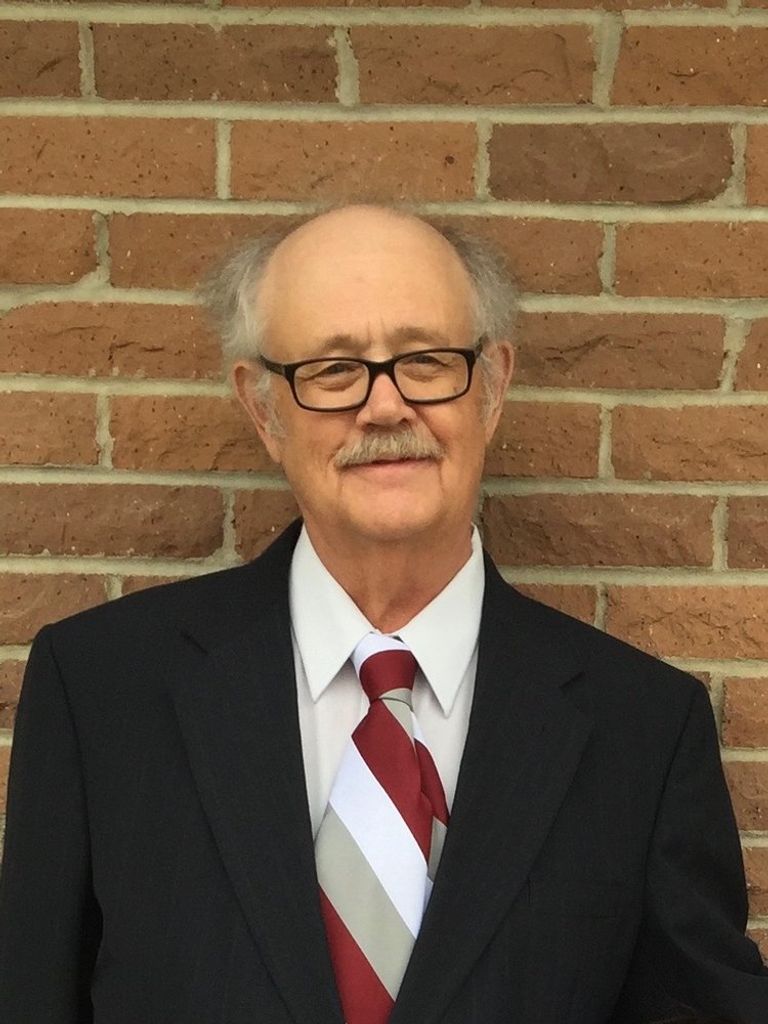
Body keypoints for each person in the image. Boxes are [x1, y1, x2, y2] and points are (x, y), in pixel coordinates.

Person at [0, 204, 766, 1024]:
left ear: (492, 387)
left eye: (427, 360)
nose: (386, 406)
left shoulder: (643, 732)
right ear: (263, 410)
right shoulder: (100, 693)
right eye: (334, 370)